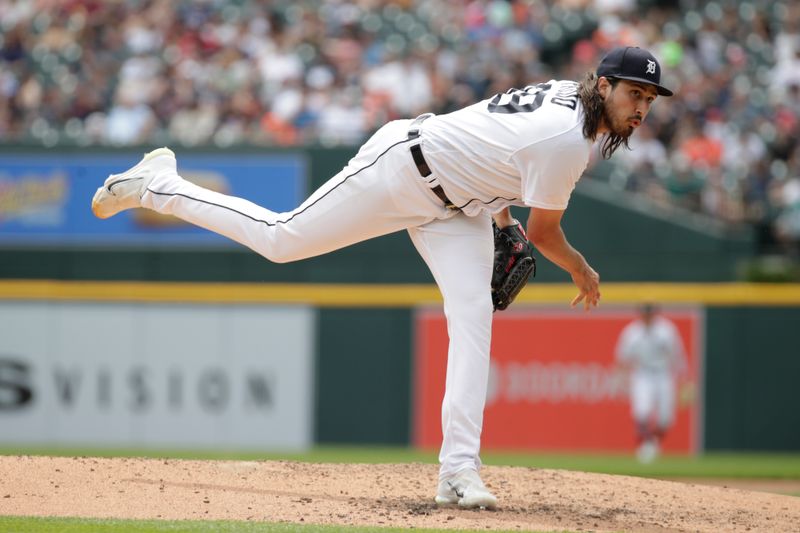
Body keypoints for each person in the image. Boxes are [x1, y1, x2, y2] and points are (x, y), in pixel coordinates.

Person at [91, 46, 673, 509]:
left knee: (472, 318)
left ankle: (458, 472)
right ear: (603, 86)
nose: (641, 107)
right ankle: (161, 186)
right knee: (282, 240)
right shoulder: (568, 141)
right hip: (402, 169)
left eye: (649, 98)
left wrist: (501, 219)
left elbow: (493, 148)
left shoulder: (564, 100)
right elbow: (546, 235)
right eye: (633, 92)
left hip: (460, 205)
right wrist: (583, 270)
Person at [614, 303, 689, 463]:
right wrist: (620, 381)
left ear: (655, 313)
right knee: (642, 412)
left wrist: (684, 380)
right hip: (642, 374)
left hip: (663, 374)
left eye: (649, 312)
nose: (647, 315)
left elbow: (678, 356)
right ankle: (648, 444)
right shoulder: (632, 332)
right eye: (644, 312)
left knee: (665, 419)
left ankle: (652, 443)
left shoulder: (667, 330)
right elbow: (622, 358)